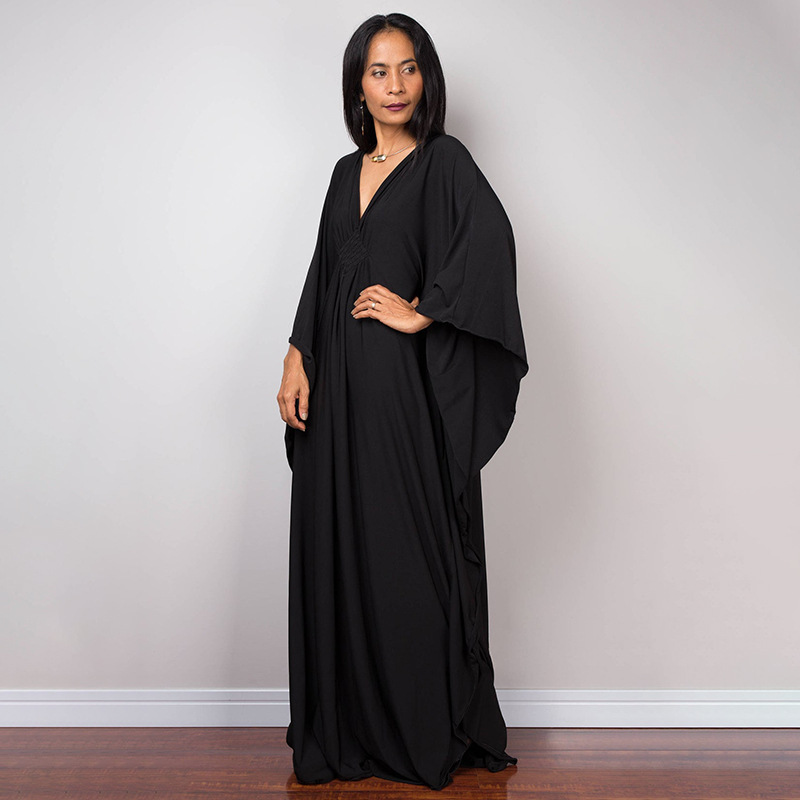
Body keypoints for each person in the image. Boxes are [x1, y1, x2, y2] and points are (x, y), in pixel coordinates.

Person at [277, 12, 528, 791]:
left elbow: (490, 244)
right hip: (336, 394)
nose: (395, 85)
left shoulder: (444, 162)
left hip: (401, 393)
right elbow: (325, 273)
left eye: (409, 68)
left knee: (407, 557)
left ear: (427, 77)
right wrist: (296, 354)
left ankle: (419, 729)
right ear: (357, 85)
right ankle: (351, 728)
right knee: (342, 548)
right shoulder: (341, 172)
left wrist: (425, 311)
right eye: (379, 71)